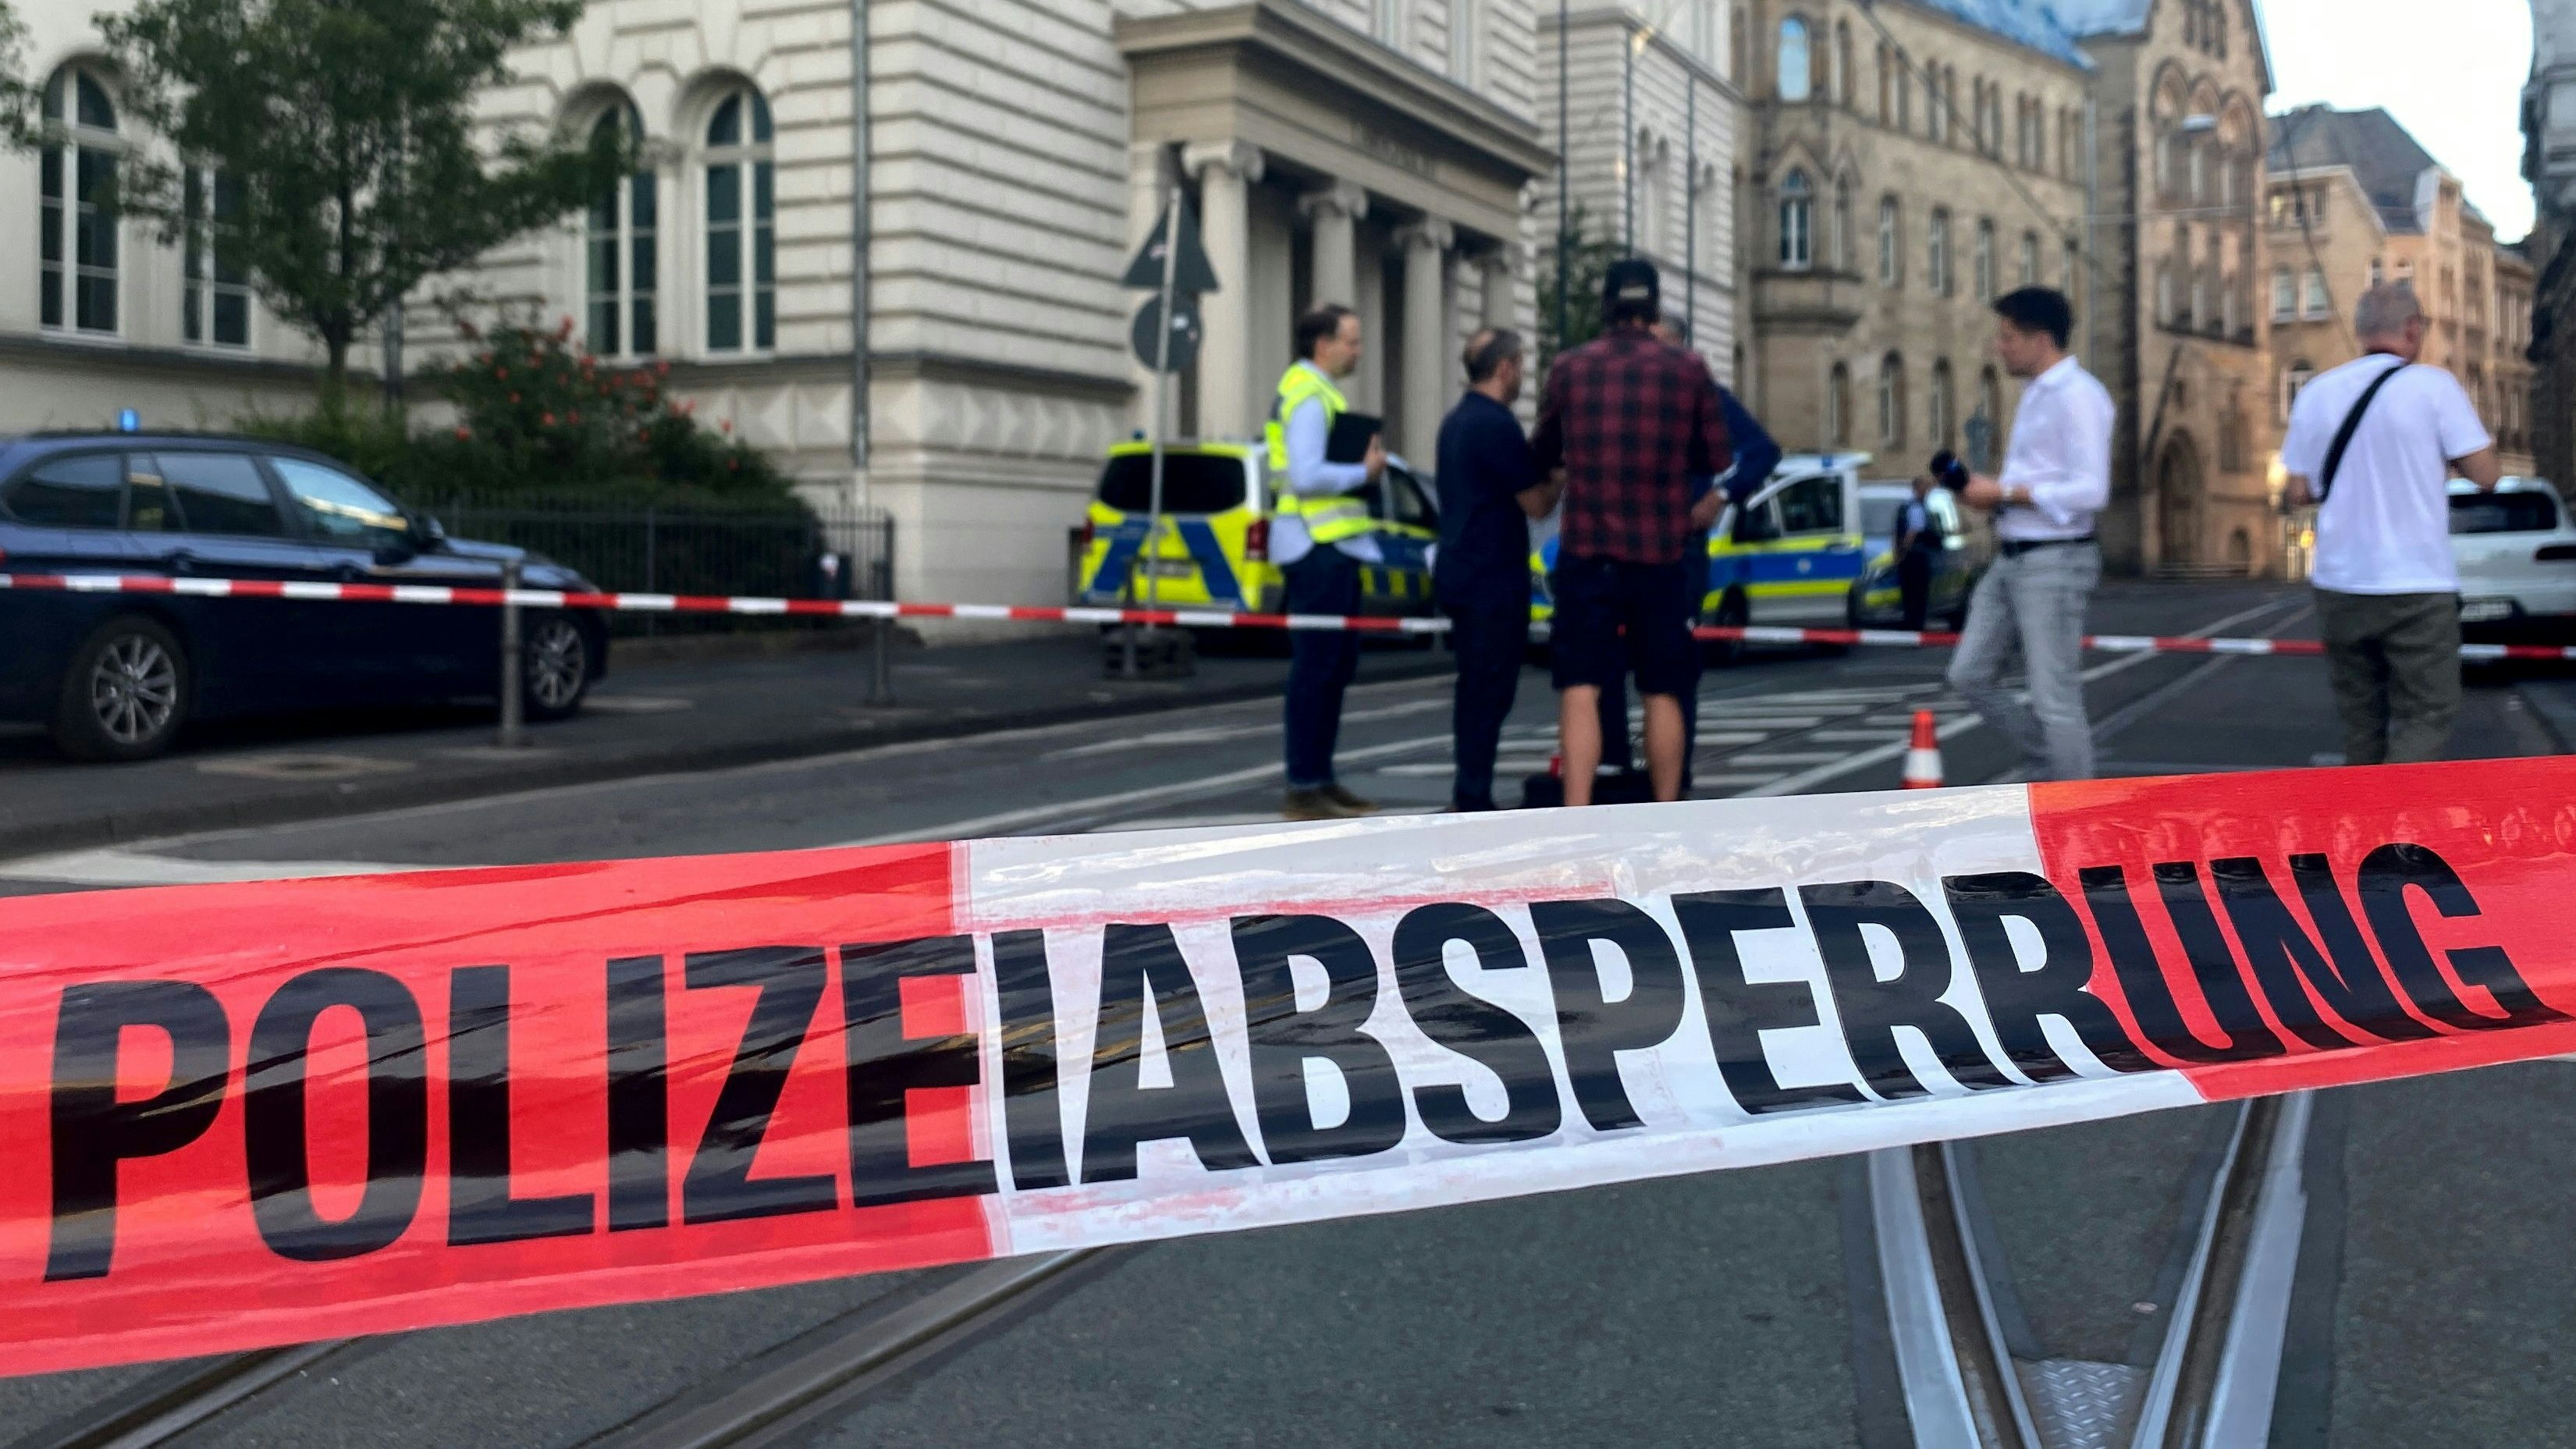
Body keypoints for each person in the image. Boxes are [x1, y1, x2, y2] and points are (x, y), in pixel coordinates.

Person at [1531, 258, 1732, 806]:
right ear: (1652, 309)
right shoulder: (1687, 368)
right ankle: (1664, 810)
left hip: (1587, 551)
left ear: (1607, 306)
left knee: (1580, 686)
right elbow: (1716, 455)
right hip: (1660, 552)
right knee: (1662, 687)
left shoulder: (1570, 367)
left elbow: (1543, 449)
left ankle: (1577, 814)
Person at [2283, 280, 2503, 765]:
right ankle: (2397, 829)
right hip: (2416, 585)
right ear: (2412, 329)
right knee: (2427, 713)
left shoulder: (2317, 392)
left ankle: (2364, 824)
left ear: (2361, 332)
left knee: (2361, 723)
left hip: (2340, 583)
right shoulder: (2434, 387)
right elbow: (2486, 476)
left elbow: (2298, 491)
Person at [1590, 311, 1781, 795]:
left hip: (1678, 547)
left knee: (1671, 666)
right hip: (1620, 546)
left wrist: (1721, 495)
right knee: (1606, 662)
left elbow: (1761, 451)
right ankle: (1615, 768)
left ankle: (1673, 784)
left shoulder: (1705, 399)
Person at [1947, 286, 2115, 782]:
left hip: (2056, 558)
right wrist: (1991, 495)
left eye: (2008, 337)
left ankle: (2075, 819)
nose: (2000, 348)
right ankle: (2050, 765)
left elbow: (2091, 489)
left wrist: (2003, 492)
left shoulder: (2078, 396)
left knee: (2054, 697)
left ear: (2040, 339)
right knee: (1969, 673)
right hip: (2015, 554)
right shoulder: (2037, 394)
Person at [1268, 304, 1389, 822]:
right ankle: (1304, 784)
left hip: (1329, 546)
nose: (1357, 351)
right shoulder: (1309, 397)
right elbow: (1305, 474)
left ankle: (1318, 778)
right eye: (1351, 341)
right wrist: (1362, 472)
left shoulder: (1315, 392)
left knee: (1331, 669)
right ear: (1323, 344)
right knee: (1316, 671)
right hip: (1316, 546)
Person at [1434, 329, 1554, 812]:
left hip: (1459, 569)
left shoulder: (1456, 420)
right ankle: (1472, 795)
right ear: (1504, 368)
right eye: (1521, 365)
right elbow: (1538, 504)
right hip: (1493, 577)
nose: (1523, 375)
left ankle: (1471, 787)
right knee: (1491, 689)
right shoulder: (1497, 425)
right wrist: (1560, 476)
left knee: (1474, 687)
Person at [1896, 470, 1941, 632]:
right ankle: (1915, 626)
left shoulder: (1906, 505)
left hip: (1911, 556)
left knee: (1910, 593)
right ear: (1917, 488)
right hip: (1916, 556)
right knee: (1917, 593)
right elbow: (1913, 532)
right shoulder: (1916, 507)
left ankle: (1912, 624)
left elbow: (1897, 532)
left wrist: (1899, 554)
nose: (1927, 491)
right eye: (1925, 487)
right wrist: (1904, 552)